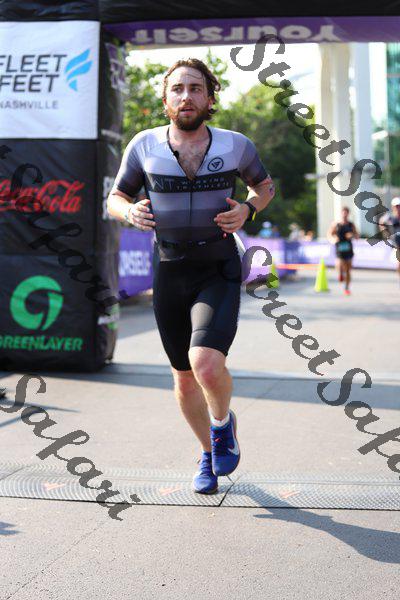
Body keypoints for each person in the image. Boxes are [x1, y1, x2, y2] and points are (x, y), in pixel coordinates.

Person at [107, 58, 275, 494]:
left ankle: (221, 425)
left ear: (210, 98)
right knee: (184, 375)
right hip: (169, 268)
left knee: (205, 363)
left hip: (217, 265)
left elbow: (264, 187)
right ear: (165, 99)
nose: (186, 96)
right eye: (178, 89)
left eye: (196, 88)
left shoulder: (236, 145)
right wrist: (129, 211)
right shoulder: (144, 145)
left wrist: (248, 208)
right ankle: (207, 452)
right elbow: (116, 197)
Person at [328, 206, 359, 295]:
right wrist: (333, 239)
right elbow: (329, 234)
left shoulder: (351, 224)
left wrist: (352, 235)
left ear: (348, 214)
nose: (344, 214)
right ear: (341, 213)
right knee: (339, 264)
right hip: (339, 248)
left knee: (348, 269)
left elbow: (357, 236)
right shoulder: (336, 224)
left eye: (346, 213)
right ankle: (340, 273)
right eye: (343, 212)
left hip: (348, 248)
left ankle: (347, 288)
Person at [379, 197, 400, 283]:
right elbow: (381, 222)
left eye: (399, 206)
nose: (398, 208)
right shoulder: (389, 217)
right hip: (397, 243)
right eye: (396, 206)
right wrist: (385, 232)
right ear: (393, 207)